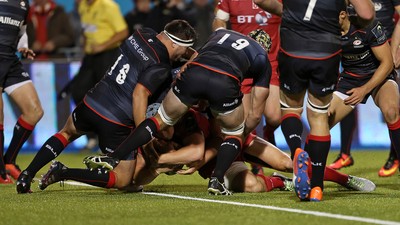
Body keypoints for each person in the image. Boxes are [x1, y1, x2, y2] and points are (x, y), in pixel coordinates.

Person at [83, 27, 273, 196]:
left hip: (194, 75)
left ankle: (114, 156)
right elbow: (256, 113)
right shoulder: (262, 58)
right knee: (234, 133)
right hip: (223, 83)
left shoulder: (220, 34)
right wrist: (243, 131)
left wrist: (184, 73)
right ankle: (216, 181)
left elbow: (194, 57)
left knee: (159, 120)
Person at [15, 20, 197, 193]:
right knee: (124, 179)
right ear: (175, 44)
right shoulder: (161, 67)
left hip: (93, 101)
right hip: (116, 120)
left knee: (65, 133)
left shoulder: (141, 34)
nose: (183, 55)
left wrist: (191, 54)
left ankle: (27, 174)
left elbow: (162, 46)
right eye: (184, 50)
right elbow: (139, 93)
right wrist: (142, 133)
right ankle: (64, 172)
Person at [39, 106, 376, 194]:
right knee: (255, 186)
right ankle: (65, 172)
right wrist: (155, 163)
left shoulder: (190, 122)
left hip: (235, 144)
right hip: (214, 163)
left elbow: (197, 153)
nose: (160, 131)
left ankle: (341, 179)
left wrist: (163, 160)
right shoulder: (158, 127)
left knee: (289, 162)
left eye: (163, 127)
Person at [274, 0, 374, 201]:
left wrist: (290, 13)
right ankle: (317, 189)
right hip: (326, 50)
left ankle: (296, 152)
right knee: (319, 117)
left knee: (291, 108)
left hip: (293, 46)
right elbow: (366, 13)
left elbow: (260, 1)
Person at [329, 0, 400, 178]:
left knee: (391, 111)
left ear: (343, 15)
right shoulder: (327, 31)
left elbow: (387, 63)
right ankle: (308, 172)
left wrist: (365, 89)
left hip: (378, 73)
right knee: (321, 121)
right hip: (350, 78)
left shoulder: (368, 25)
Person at [212, 0, 282, 176]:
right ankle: (250, 160)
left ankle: (268, 134)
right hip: (241, 64)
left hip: (270, 63)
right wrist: (220, 32)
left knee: (274, 118)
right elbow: (219, 19)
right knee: (242, 122)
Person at [71, 0, 129, 152]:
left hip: (108, 55)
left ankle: (109, 138)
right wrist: (85, 44)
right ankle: (91, 137)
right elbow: (87, 29)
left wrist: (102, 45)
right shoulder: (82, 5)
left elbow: (123, 32)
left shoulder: (108, 6)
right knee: (78, 91)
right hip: (91, 57)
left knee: (107, 97)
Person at [0, 0, 44, 183]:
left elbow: (22, 30)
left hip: (10, 60)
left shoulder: (24, 4)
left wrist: (22, 46)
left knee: (34, 112)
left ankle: (9, 161)